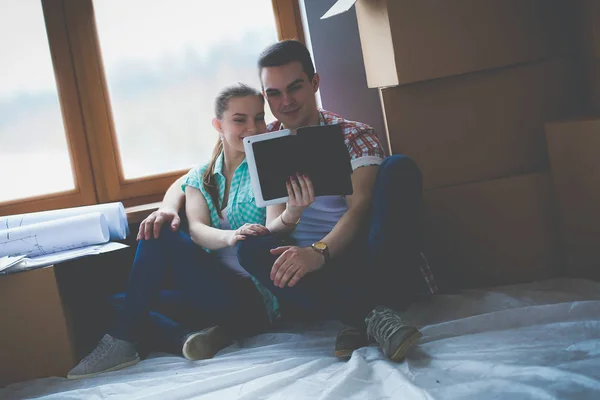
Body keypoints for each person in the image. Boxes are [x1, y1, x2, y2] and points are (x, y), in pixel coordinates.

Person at [144, 40, 439, 362]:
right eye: (273, 93)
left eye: (295, 88)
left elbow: (361, 207)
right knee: (250, 243)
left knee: (399, 167)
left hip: (356, 257)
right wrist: (168, 207)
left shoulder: (352, 134)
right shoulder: (260, 137)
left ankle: (361, 313)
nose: (285, 102)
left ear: (314, 83)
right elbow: (196, 177)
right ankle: (366, 315)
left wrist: (318, 253)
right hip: (301, 275)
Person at [67, 83, 283, 379]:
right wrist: (220, 231)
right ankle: (189, 339)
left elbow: (275, 224)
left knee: (162, 232)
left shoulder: (270, 164)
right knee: (115, 303)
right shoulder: (203, 176)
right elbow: (196, 230)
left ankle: (124, 341)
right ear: (218, 125)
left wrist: (237, 237)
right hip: (209, 292)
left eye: (259, 118)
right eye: (239, 119)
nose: (253, 127)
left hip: (252, 299)